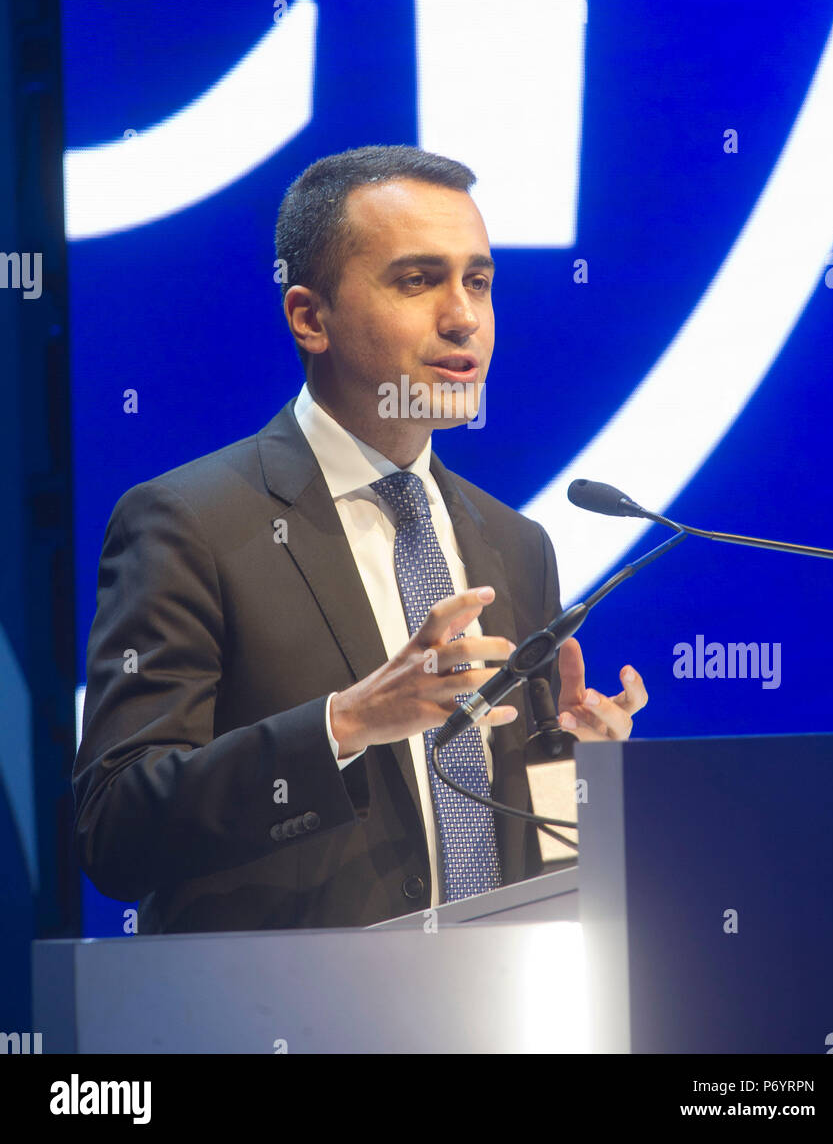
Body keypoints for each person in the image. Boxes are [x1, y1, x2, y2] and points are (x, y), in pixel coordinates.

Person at [73, 144, 647, 933]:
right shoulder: (190, 523)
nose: (462, 316)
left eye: (477, 281)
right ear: (309, 316)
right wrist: (343, 725)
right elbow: (115, 830)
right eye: (417, 280)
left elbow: (547, 853)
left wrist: (583, 774)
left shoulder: (516, 544)